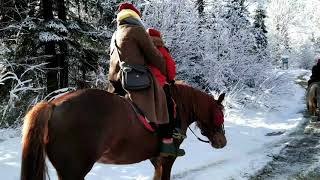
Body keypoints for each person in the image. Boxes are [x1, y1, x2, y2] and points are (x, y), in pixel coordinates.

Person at [108, 3, 184, 157]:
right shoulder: (136, 30)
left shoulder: (115, 34)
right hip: (136, 78)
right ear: (135, 16)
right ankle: (167, 144)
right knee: (166, 103)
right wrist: (163, 67)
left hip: (116, 81)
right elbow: (153, 55)